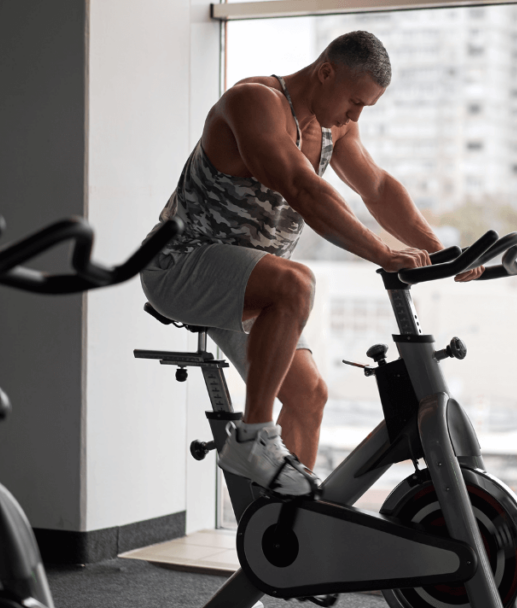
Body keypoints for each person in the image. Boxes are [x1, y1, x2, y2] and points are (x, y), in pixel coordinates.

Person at [141, 31, 482, 496]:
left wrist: (438, 251)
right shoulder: (254, 103)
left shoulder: (334, 125)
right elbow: (303, 190)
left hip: (248, 280)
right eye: (354, 102)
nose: (355, 116)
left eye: (366, 108)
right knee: (296, 283)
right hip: (180, 264)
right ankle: (252, 437)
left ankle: (287, 535)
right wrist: (383, 252)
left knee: (309, 397)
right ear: (325, 72)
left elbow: (377, 189)